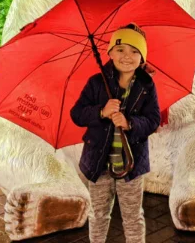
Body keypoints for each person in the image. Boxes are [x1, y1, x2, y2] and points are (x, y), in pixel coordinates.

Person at [70, 23, 161, 243]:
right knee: (99, 214)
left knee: (132, 217)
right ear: (110, 52)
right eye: (120, 49)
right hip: (98, 163)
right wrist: (101, 111)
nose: (127, 56)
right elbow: (77, 114)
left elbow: (153, 120)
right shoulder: (96, 83)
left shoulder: (147, 85)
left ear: (143, 58)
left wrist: (130, 123)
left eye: (134, 51)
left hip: (131, 163)